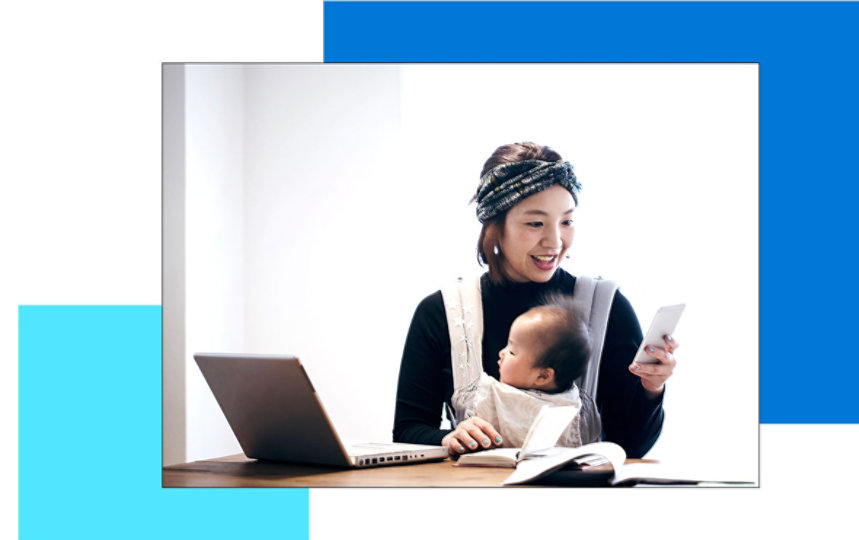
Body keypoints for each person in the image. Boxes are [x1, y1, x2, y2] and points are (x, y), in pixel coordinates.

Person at [393, 142, 678, 458]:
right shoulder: (440, 312)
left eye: (566, 221)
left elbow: (633, 445)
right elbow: (407, 430)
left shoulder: (608, 307)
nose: (555, 241)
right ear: (495, 226)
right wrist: (447, 437)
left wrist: (652, 389)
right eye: (535, 223)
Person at [452, 292, 594, 450]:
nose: (501, 353)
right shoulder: (489, 393)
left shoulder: (573, 408)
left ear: (543, 376)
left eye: (512, 352)